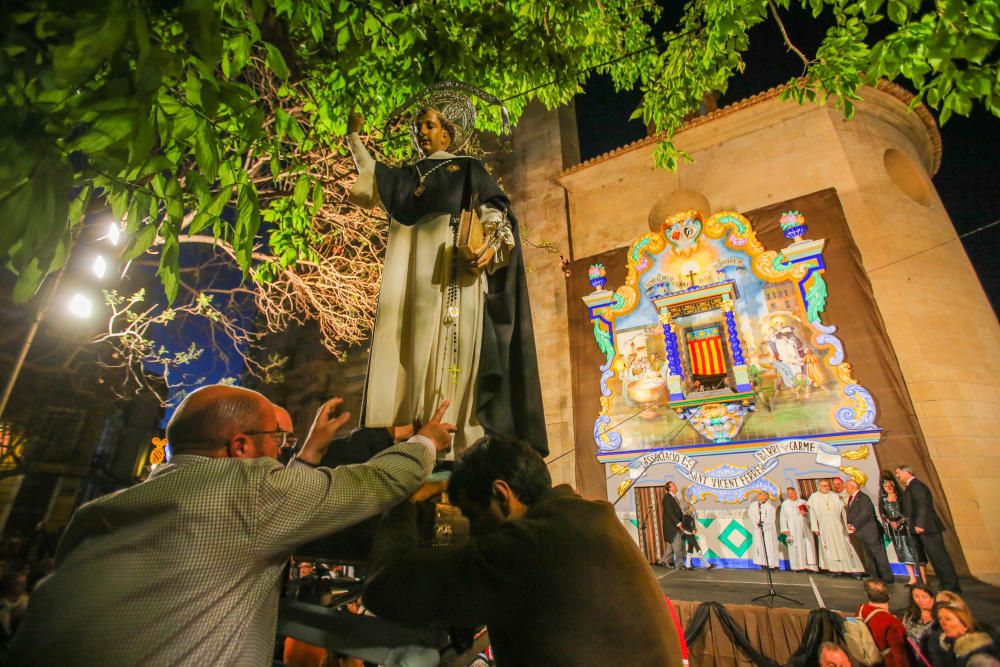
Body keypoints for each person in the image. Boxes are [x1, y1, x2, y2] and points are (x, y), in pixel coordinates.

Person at [7, 385, 452, 666]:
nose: (282, 453)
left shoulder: (99, 513)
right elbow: (378, 480)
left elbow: (256, 517)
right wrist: (426, 441)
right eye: (278, 441)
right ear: (240, 446)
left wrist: (309, 455)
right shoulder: (249, 493)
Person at [362, 436, 684, 666]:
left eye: (474, 515)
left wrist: (404, 498)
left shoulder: (532, 545)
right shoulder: (588, 518)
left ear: (502, 495)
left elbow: (385, 585)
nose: (473, 533)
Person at [347, 102, 546, 455]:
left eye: (428, 125)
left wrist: (491, 241)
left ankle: (456, 440)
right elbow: (371, 172)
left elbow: (494, 212)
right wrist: (353, 137)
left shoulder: (466, 168)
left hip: (455, 270)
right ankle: (421, 436)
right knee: (412, 349)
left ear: (446, 131)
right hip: (413, 278)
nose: (421, 132)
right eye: (417, 127)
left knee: (454, 347)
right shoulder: (406, 179)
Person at [895, 465, 961, 593]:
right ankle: (944, 583)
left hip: (927, 527)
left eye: (898, 473)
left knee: (939, 556)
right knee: (934, 558)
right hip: (921, 527)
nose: (897, 476)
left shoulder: (917, 485)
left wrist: (920, 524)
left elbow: (922, 505)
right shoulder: (910, 487)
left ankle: (951, 585)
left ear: (907, 472)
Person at [808, 479, 865, 576]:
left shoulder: (835, 496)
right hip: (824, 527)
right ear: (819, 487)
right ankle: (835, 570)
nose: (826, 487)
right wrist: (814, 527)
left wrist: (847, 526)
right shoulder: (813, 497)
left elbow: (843, 512)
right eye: (824, 486)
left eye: (827, 485)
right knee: (829, 548)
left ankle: (851, 569)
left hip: (838, 527)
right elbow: (812, 513)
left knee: (844, 546)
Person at [880, 473, 927, 585]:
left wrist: (900, 522)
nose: (889, 488)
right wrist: (890, 522)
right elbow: (883, 514)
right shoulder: (883, 500)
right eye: (886, 486)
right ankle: (912, 577)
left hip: (906, 527)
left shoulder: (902, 497)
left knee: (916, 551)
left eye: (891, 485)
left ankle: (924, 579)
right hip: (895, 530)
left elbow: (908, 511)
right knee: (903, 552)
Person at [845, 479, 894, 583]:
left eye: (847, 487)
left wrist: (854, 525)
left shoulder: (863, 498)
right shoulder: (852, 498)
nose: (846, 489)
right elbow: (852, 513)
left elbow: (865, 514)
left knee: (879, 554)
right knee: (869, 555)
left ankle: (887, 577)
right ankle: (874, 576)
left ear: (852, 487)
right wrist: (849, 524)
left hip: (871, 531)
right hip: (862, 532)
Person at [857, 579, 912, 667]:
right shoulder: (892, 622)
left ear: (868, 595)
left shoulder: (861, 611)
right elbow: (899, 654)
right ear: (889, 596)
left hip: (866, 661)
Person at [934, 594, 1000, 667]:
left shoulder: (979, 657)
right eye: (940, 618)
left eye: (948, 619)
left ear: (964, 624)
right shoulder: (948, 645)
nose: (943, 623)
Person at [780, 486, 818, 572]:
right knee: (794, 547)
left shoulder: (803, 502)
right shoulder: (785, 504)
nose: (791, 495)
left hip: (804, 528)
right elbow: (783, 517)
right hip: (792, 529)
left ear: (795, 493)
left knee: (807, 546)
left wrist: (805, 514)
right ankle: (796, 567)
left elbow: (809, 516)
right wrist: (785, 529)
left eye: (792, 493)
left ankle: (810, 567)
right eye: (789, 494)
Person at [747, 491, 781, 569]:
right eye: (758, 494)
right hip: (758, 529)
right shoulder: (753, 505)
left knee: (769, 546)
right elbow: (751, 515)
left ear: (765, 496)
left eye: (760, 494)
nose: (758, 495)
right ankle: (763, 563)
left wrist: (765, 524)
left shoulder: (770, 506)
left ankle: (772, 564)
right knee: (760, 546)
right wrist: (757, 523)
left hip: (768, 530)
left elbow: (771, 518)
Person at [659, 481, 685, 570]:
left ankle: (663, 560)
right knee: (678, 546)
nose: (676, 485)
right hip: (672, 527)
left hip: (675, 526)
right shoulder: (667, 498)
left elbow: (677, 511)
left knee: (671, 546)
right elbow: (670, 512)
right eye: (673, 485)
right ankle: (679, 565)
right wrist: (679, 523)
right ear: (669, 488)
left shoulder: (672, 497)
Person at [681, 502, 715, 570]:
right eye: (691, 507)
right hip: (688, 534)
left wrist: (694, 529)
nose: (693, 507)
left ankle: (688, 565)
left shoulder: (691, 515)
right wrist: (691, 530)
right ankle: (707, 565)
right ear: (688, 509)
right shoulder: (685, 516)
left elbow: (691, 525)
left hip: (691, 534)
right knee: (697, 548)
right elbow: (683, 526)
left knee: (690, 549)